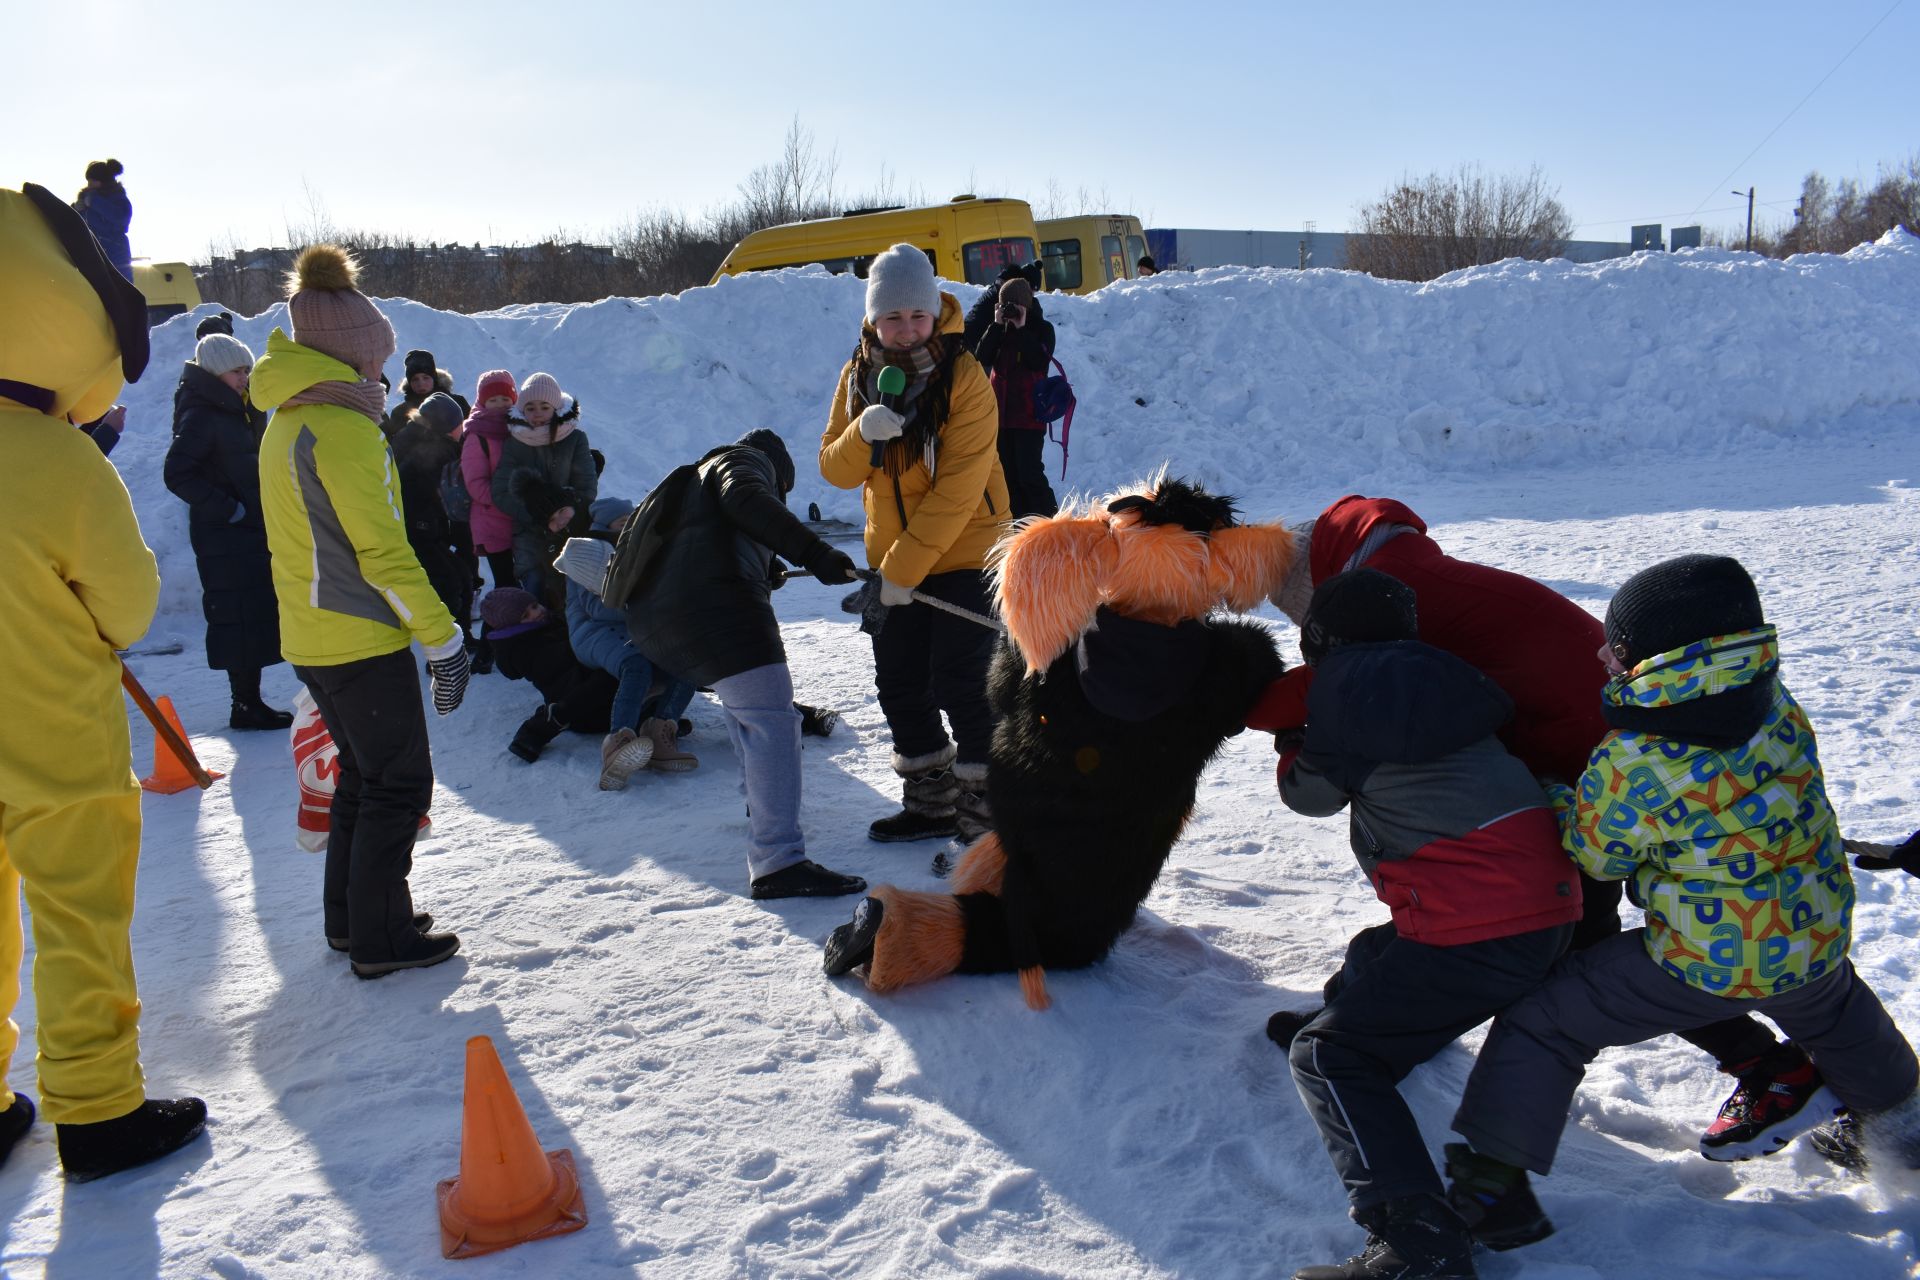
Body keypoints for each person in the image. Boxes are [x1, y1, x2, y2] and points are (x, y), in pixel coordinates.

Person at [1256, 494, 1804, 1154]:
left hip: (1593, 765)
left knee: (1568, 943)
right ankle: (1366, 1012)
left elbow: (1334, 691)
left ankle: (1764, 1066)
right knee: (1543, 930)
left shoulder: (1393, 600)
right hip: (1590, 745)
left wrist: (1236, 697)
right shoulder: (1406, 580)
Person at [1444, 555, 1919, 1254]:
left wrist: (1554, 793)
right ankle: (1905, 1143)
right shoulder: (1776, 705)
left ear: (1660, 659)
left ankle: (1490, 1188)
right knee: (1843, 1019)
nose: (1604, 653)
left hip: (1705, 960)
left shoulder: (1634, 757)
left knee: (1546, 1021)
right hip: (1815, 933)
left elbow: (1597, 855)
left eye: (1620, 646)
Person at [1275, 570, 1581, 1280]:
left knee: (1327, 1059)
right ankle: (1363, 1028)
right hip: (1547, 908)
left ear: (1319, 637)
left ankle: (1419, 1242)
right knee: (1375, 954)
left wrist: (1300, 740)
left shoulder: (1341, 692)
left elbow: (1307, 796)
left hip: (1480, 925)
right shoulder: (1448, 677)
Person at [0, 181, 206, 1180]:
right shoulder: (59, 460)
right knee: (76, 917)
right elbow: (126, 603)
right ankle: (97, 1110)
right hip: (52, 737)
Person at [252, 244, 467, 979]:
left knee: (363, 778)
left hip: (314, 630)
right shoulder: (338, 429)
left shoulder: (288, 418)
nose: (380, 372)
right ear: (351, 357)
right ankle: (382, 938)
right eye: (374, 359)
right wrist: (443, 640)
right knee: (398, 785)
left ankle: (356, 918)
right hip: (355, 634)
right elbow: (382, 551)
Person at [818, 243, 1011, 845]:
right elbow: (834, 470)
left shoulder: (965, 377)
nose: (905, 331)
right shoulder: (857, 375)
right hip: (895, 560)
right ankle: (931, 801)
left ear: (935, 314)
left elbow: (957, 492)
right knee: (899, 682)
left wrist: (900, 570)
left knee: (964, 684)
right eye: (892, 318)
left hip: (966, 552)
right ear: (874, 320)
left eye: (917, 316)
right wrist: (862, 433)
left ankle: (986, 820)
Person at [625, 429, 868, 899]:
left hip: (661, 623)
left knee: (750, 715)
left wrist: (762, 563)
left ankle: (763, 812)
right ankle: (778, 861)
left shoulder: (694, 481)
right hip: (718, 614)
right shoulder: (742, 462)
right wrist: (814, 552)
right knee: (775, 723)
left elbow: (709, 538)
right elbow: (748, 501)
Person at [163, 332, 293, 729]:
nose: (244, 377)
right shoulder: (202, 414)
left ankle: (248, 701)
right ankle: (245, 704)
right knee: (238, 616)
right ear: (217, 372)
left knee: (251, 613)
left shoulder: (237, 409)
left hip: (247, 531)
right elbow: (177, 472)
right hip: (225, 534)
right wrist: (230, 509)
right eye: (238, 371)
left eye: (247, 370)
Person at [565, 498, 699, 789]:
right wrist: (646, 604)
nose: (628, 524)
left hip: (629, 625)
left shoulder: (637, 548)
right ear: (604, 525)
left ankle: (662, 727)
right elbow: (595, 608)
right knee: (636, 665)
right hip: (593, 630)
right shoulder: (587, 551)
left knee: (686, 661)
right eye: (621, 521)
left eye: (630, 519)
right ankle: (618, 740)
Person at [477, 587, 630, 765]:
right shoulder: (525, 650)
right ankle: (550, 720)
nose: (536, 613)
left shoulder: (550, 624)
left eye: (534, 606)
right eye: (525, 615)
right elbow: (578, 657)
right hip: (583, 711)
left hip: (591, 697)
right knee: (615, 673)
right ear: (513, 627)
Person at [493, 371, 596, 605]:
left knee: (573, 590)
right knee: (535, 589)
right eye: (530, 407)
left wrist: (567, 509)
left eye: (544, 406)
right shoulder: (514, 444)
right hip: (529, 533)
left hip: (571, 526)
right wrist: (534, 514)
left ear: (556, 408)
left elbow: (587, 486)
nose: (537, 413)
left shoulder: (575, 439)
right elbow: (500, 491)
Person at [966, 273, 1059, 519]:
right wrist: (997, 325)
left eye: (1013, 304)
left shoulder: (1042, 328)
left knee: (1029, 473)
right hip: (1001, 417)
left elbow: (1039, 362)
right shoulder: (999, 329)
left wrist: (1022, 328)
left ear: (1026, 304)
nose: (1009, 309)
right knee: (1007, 474)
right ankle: (1018, 524)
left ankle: (1048, 521)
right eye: (1003, 304)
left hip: (1029, 415)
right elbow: (981, 358)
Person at [391, 391, 477, 656]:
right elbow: (420, 487)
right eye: (457, 426)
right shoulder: (429, 450)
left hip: (425, 528)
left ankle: (458, 641)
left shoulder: (416, 439)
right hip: (416, 530)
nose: (460, 431)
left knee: (460, 579)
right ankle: (445, 650)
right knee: (450, 585)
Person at [460, 370, 519, 600]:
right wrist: (505, 501)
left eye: (505, 399)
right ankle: (499, 633)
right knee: (507, 586)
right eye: (493, 400)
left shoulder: (521, 429)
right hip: (492, 522)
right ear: (482, 402)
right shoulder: (477, 434)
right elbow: (475, 483)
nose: (500, 405)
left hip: (520, 520)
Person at [380, 348, 470, 440]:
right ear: (409, 382)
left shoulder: (458, 403)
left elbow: (473, 435)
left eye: (425, 377)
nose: (421, 383)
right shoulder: (400, 412)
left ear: (434, 378)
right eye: (415, 379)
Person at [73, 160, 132, 280]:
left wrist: (94, 202)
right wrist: (75, 209)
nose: (89, 184)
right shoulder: (85, 198)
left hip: (115, 253)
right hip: (92, 253)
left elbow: (121, 219)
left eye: (93, 180)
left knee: (119, 287)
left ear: (103, 180)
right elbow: (74, 224)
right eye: (88, 180)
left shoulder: (117, 198)